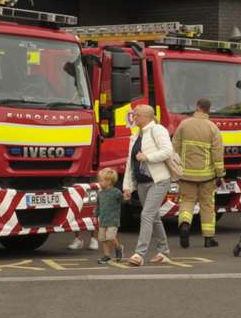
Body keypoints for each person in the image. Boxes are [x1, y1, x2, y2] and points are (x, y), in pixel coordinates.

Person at [122, 103, 175, 266]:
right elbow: (130, 163)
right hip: (142, 182)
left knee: (146, 215)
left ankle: (139, 254)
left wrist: (147, 157)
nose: (134, 117)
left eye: (136, 115)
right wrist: (127, 186)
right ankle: (164, 251)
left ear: (146, 116)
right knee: (153, 217)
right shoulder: (136, 134)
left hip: (159, 180)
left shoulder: (157, 130)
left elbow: (168, 151)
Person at [172, 98, 225, 249]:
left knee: (187, 202)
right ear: (209, 110)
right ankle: (209, 239)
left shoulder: (184, 124)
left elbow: (174, 148)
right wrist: (220, 174)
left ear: (197, 107)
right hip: (207, 176)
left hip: (186, 174)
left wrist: (175, 170)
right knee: (207, 205)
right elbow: (217, 154)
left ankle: (184, 224)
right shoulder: (212, 128)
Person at [94, 167, 123, 265]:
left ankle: (118, 248)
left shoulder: (116, 192)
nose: (99, 183)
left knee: (110, 237)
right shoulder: (100, 193)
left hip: (113, 220)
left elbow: (123, 201)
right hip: (103, 220)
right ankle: (107, 255)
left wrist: (126, 197)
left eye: (101, 181)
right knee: (103, 239)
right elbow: (98, 205)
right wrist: (95, 215)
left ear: (109, 181)